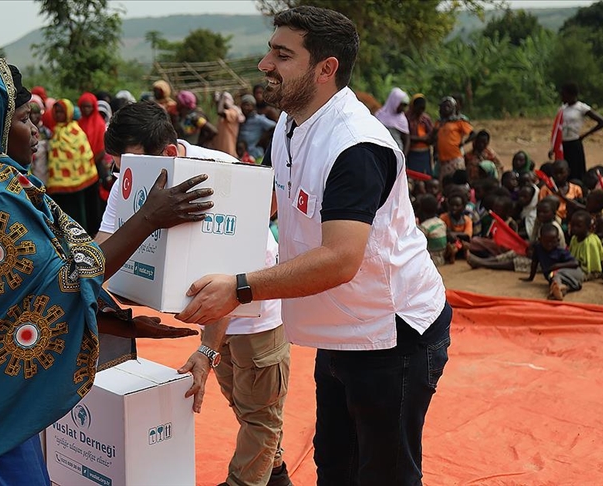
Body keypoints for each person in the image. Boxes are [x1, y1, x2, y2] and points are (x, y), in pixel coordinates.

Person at [0, 59, 213, 486]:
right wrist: (149, 217)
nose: (39, 130)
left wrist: (108, 320)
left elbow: (19, 297)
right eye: (27, 119)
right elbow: (68, 275)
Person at [174, 7, 452, 485]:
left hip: (392, 335)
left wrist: (239, 288)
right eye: (270, 50)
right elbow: (262, 214)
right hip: (338, 330)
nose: (265, 64)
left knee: (385, 474)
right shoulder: (289, 127)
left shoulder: (355, 146)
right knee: (335, 465)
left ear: (326, 69)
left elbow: (340, 258)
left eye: (283, 54)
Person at [97, 100, 293, 486]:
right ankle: (276, 474)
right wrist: (74, 278)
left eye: (131, 162)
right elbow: (105, 242)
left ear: (168, 154)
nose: (123, 174)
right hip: (208, 308)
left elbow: (225, 282)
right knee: (243, 402)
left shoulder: (217, 178)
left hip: (250, 306)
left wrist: (207, 350)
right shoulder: (131, 175)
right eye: (119, 164)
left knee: (259, 415)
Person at [46, 98, 101, 234]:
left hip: (78, 180)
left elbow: (83, 154)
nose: (58, 115)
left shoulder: (75, 131)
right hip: (59, 182)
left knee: (79, 212)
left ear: (69, 113)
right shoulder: (55, 132)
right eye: (56, 112)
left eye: (61, 112)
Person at [549, 82, 603, 182]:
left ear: (571, 95)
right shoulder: (562, 109)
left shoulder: (581, 108)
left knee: (576, 171)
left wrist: (585, 135)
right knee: (562, 171)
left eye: (563, 94)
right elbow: (558, 130)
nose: (561, 97)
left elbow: (602, 122)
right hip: (563, 145)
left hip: (574, 144)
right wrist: (553, 147)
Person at [433, 96, 474, 179]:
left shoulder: (459, 121)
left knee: (456, 180)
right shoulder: (438, 123)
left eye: (448, 106)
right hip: (442, 160)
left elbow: (473, 133)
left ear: (453, 108)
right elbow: (435, 139)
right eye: (444, 106)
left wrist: (463, 142)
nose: (446, 108)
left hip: (455, 158)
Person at [568, 210, 603, 281]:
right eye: (572, 225)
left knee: (571, 277)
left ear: (588, 227)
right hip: (576, 267)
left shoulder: (590, 242)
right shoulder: (574, 238)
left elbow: (593, 266)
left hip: (590, 271)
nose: (574, 228)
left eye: (578, 226)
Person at [239, 94, 278, 162]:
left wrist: (263, 138)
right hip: (244, 156)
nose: (245, 107)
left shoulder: (259, 119)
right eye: (243, 105)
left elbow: (274, 126)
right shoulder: (242, 120)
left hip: (256, 155)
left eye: (248, 105)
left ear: (253, 107)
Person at [373, 87, 410, 154]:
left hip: (396, 152)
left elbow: (407, 140)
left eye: (405, 106)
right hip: (380, 151)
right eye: (401, 105)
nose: (403, 108)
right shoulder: (380, 115)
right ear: (394, 102)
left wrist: (404, 155)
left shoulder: (402, 120)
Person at [405, 93, 434, 176]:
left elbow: (431, 134)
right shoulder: (406, 118)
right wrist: (420, 139)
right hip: (412, 153)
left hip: (425, 153)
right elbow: (405, 136)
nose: (421, 111)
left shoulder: (425, 119)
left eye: (422, 109)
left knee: (425, 175)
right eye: (419, 109)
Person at [211, 91, 244, 157]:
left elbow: (219, 111)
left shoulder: (233, 112)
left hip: (229, 150)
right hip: (220, 149)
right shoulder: (223, 116)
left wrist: (222, 98)